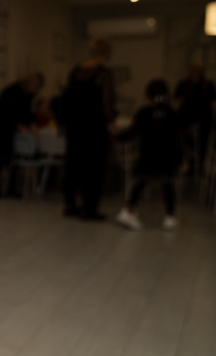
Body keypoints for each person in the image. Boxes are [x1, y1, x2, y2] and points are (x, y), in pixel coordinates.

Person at [115, 79, 181, 231]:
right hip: (166, 156)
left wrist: (117, 136)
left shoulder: (144, 112)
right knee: (167, 183)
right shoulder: (172, 113)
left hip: (148, 155)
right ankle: (170, 216)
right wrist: (179, 158)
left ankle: (129, 210)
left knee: (142, 181)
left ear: (149, 96)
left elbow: (132, 132)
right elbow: (177, 138)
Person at [62, 36, 115, 220]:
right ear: (107, 53)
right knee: (94, 168)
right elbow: (106, 105)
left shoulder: (76, 70)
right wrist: (111, 124)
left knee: (73, 166)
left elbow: (68, 99)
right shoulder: (103, 74)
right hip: (94, 128)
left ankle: (70, 204)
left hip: (75, 127)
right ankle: (89, 209)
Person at [0, 72, 44, 197]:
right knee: (0, 156)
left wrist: (30, 123)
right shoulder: (13, 92)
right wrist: (21, 125)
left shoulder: (27, 94)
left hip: (8, 127)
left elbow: (25, 113)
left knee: (10, 156)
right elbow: (9, 112)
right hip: (0, 126)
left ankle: (9, 187)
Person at [174, 63, 215, 173]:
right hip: (186, 118)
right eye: (193, 70)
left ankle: (200, 167)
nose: (195, 72)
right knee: (184, 141)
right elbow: (178, 98)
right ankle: (187, 165)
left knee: (203, 143)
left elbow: (212, 100)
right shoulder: (184, 84)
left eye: (197, 70)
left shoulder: (207, 85)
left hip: (203, 119)